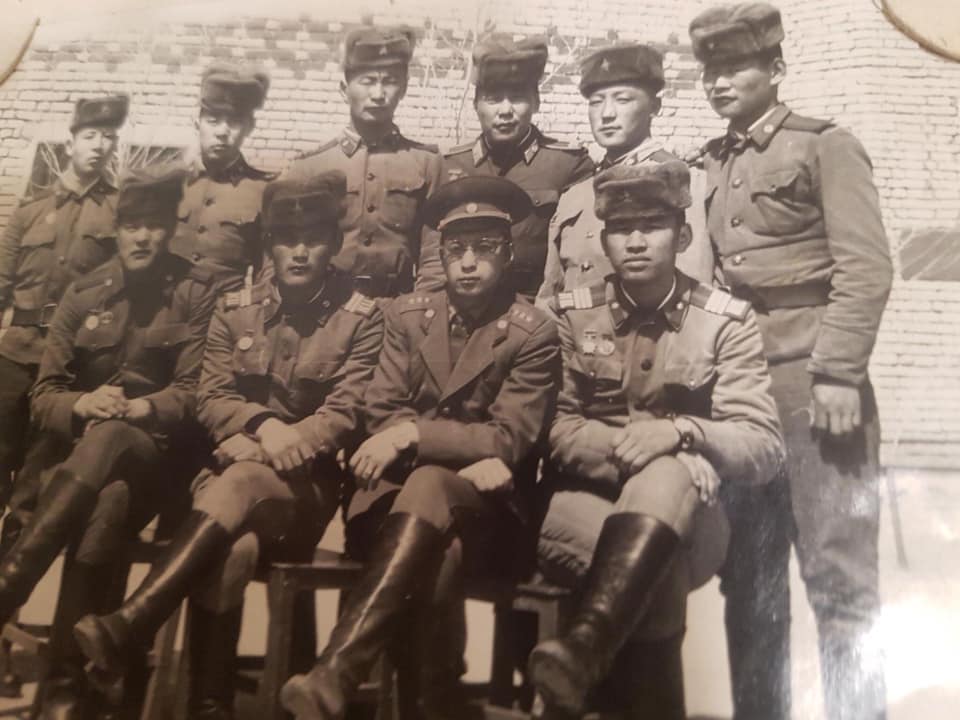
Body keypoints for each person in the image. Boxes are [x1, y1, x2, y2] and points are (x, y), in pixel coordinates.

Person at [72, 171, 383, 720]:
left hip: (302, 495)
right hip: (228, 484)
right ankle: (208, 706)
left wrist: (272, 444)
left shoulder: (360, 315)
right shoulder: (236, 306)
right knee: (232, 552)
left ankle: (133, 621)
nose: (299, 251)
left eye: (313, 239)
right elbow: (210, 393)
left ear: (332, 245)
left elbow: (346, 411)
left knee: (238, 480)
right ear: (270, 246)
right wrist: (263, 426)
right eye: (286, 240)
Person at [279, 176, 560, 720]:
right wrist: (458, 449)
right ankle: (432, 703)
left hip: (490, 517)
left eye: (484, 249)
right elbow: (379, 409)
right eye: (457, 250)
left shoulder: (532, 333)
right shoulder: (405, 317)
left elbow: (509, 437)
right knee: (436, 558)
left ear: (508, 253)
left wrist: (414, 435)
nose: (469, 263)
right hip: (389, 509)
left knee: (431, 490)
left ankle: (337, 670)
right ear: (441, 254)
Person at [688, 5, 893, 720]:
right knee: (750, 584)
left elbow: (866, 269)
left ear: (775, 70)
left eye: (735, 67)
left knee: (839, 583)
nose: (718, 83)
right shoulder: (712, 160)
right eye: (709, 70)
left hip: (815, 388)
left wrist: (838, 371)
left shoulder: (824, 147)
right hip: (743, 397)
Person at [528, 159, 783, 719]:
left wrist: (681, 432)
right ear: (605, 238)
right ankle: (589, 666)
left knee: (668, 472)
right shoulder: (572, 317)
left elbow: (763, 443)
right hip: (579, 507)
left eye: (653, 226)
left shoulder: (725, 321)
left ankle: (583, 649)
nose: (636, 241)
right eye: (621, 229)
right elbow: (557, 431)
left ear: (683, 234)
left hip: (696, 525)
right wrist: (652, 454)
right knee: (654, 563)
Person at [0, 167, 217, 720]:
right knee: (109, 496)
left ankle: (12, 582)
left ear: (172, 230)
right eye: (132, 226)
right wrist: (81, 404)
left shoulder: (194, 293)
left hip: (162, 463)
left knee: (119, 439)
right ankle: (70, 685)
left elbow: (196, 392)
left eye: (155, 226)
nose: (143, 238)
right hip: (88, 468)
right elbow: (43, 394)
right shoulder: (84, 292)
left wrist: (144, 407)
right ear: (116, 231)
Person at [0, 94, 128, 552]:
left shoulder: (118, 213)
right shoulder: (31, 209)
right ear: (71, 141)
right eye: (90, 135)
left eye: (109, 137)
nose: (99, 145)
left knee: (32, 487)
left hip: (66, 364)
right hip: (14, 355)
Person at [534, 44, 711, 308]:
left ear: (655, 106)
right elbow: (551, 293)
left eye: (623, 100)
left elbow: (692, 291)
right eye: (596, 102)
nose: (607, 114)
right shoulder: (575, 195)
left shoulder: (685, 184)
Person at [417, 36, 593, 299]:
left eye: (518, 98)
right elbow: (433, 258)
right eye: (493, 99)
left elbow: (579, 260)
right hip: (464, 308)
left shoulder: (568, 165)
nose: (506, 110)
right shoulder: (450, 164)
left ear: (536, 103)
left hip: (535, 307)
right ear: (476, 105)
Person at [284, 26, 442, 299]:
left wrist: (416, 315)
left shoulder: (427, 164)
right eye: (367, 81)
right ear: (344, 89)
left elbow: (435, 257)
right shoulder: (309, 168)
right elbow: (286, 252)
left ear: (403, 89)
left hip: (397, 308)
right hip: (326, 310)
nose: (379, 93)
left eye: (390, 81)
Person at [171, 63, 276, 294]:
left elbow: (267, 270)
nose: (222, 131)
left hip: (223, 320)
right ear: (197, 122)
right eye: (213, 120)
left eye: (234, 122)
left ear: (250, 127)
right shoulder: (168, 183)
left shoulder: (263, 192)